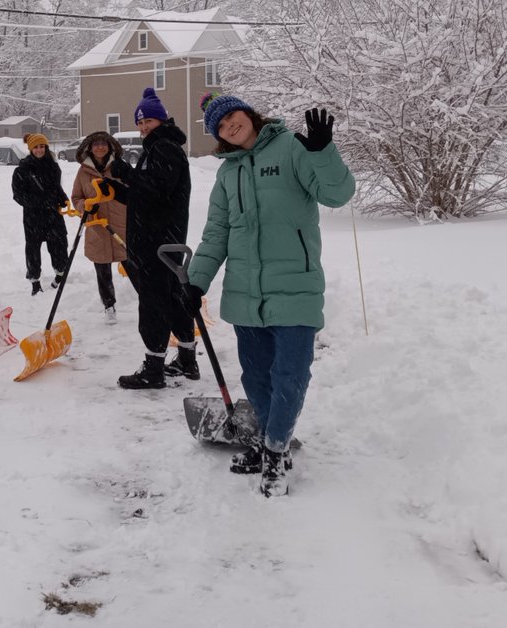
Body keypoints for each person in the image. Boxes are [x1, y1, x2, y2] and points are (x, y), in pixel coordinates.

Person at [185, 93, 355, 497]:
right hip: (246, 293)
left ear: (249, 113)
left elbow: (338, 194)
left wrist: (322, 152)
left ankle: (277, 451)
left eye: (233, 117)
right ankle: (266, 442)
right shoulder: (228, 175)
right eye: (220, 126)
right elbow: (217, 234)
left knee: (290, 376)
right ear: (219, 138)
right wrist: (196, 282)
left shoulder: (292, 148)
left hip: (295, 287)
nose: (229, 126)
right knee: (257, 378)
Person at [103, 88, 196, 388]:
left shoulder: (165, 148)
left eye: (148, 122)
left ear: (161, 120)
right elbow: (149, 195)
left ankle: (153, 369)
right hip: (162, 238)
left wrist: (126, 174)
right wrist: (119, 191)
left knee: (155, 302)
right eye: (140, 123)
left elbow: (156, 188)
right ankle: (186, 359)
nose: (143, 128)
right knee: (173, 298)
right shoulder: (157, 148)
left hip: (158, 240)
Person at [71, 132, 131, 324]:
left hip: (121, 225)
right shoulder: (83, 172)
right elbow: (76, 198)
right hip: (97, 226)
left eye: (103, 144)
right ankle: (109, 305)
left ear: (110, 146)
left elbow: (134, 190)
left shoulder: (120, 167)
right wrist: (86, 206)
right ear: (89, 148)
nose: (100, 147)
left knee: (134, 265)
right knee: (102, 270)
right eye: (95, 144)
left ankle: (149, 300)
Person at [11, 132, 70, 296]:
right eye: (36, 147)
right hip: (33, 217)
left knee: (59, 245)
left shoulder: (53, 166)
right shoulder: (22, 170)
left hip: (53, 215)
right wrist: (38, 202)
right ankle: (35, 282)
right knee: (33, 249)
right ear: (30, 149)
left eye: (42, 146)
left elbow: (56, 188)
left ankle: (59, 274)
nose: (39, 150)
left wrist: (63, 198)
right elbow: (18, 195)